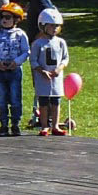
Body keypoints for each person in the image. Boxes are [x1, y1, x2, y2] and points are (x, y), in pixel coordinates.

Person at [20, 0, 56, 125]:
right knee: (39, 82)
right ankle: (44, 117)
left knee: (44, 82)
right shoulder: (35, 0)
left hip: (42, 48)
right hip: (38, 47)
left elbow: (53, 18)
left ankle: (49, 118)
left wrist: (38, 38)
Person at [0, 1, 30, 137]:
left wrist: (16, 62)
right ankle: (4, 124)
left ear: (16, 20)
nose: (4, 20)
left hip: (14, 71)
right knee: (1, 98)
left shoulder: (20, 34)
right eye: (2, 17)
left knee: (15, 98)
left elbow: (26, 52)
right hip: (0, 71)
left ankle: (15, 124)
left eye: (8, 17)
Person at [30, 8, 69, 136]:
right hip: (43, 79)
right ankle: (44, 125)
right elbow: (33, 60)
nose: (54, 28)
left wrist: (59, 69)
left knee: (56, 102)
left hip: (56, 78)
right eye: (51, 25)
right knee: (43, 102)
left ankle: (55, 125)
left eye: (57, 26)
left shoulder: (61, 43)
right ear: (43, 26)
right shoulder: (37, 44)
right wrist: (42, 71)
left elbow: (65, 58)